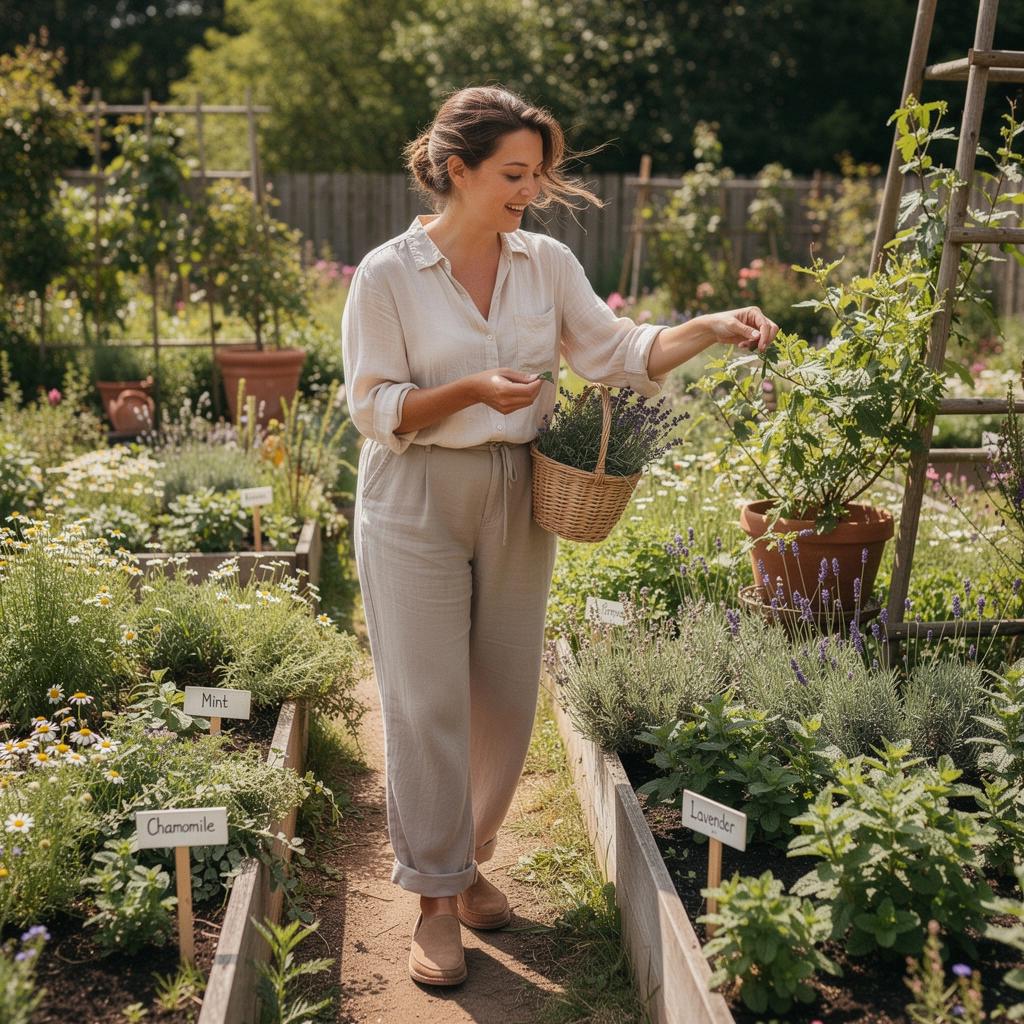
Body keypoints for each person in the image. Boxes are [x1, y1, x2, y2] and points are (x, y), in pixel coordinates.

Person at [341, 84, 778, 988]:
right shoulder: (388, 275)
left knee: (504, 695)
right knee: (423, 700)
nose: (529, 191)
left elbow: (615, 351)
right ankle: (432, 898)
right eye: (512, 173)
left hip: (516, 487)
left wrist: (706, 327)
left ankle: (468, 862)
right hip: (414, 493)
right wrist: (468, 391)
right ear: (455, 171)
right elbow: (373, 406)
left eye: (537, 174)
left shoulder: (544, 262)